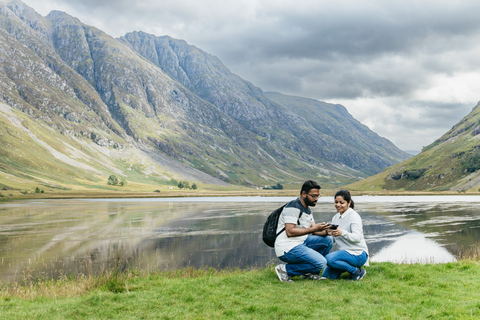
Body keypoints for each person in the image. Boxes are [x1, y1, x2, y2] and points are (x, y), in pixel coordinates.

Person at [274, 180, 333, 282]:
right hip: (286, 247)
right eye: (313, 196)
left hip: (301, 242)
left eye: (318, 196)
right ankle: (285, 270)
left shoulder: (307, 210)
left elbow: (314, 231)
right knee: (321, 263)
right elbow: (290, 232)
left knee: (328, 240)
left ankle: (310, 273)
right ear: (304, 194)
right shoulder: (293, 206)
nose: (316, 199)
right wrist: (314, 228)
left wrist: (327, 231)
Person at [322, 189, 369, 281]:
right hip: (344, 255)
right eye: (336, 202)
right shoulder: (335, 218)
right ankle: (347, 267)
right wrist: (330, 233)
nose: (338, 205)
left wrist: (342, 233)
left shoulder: (354, 216)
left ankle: (356, 271)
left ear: (349, 202)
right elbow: (335, 238)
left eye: (341, 202)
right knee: (327, 276)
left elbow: (357, 238)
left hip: (358, 253)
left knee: (329, 259)